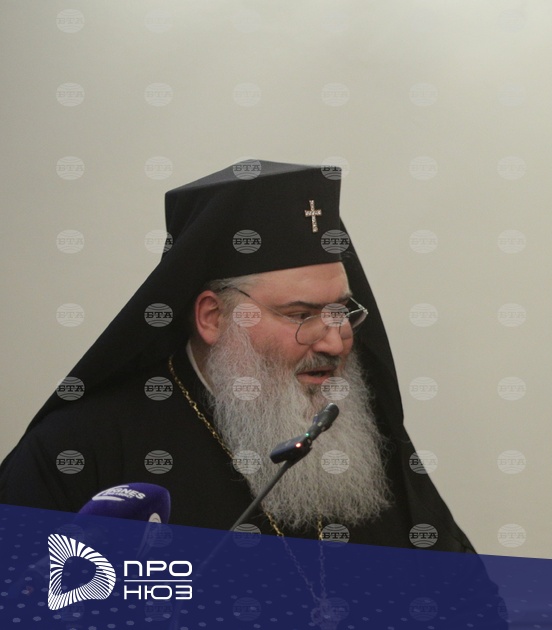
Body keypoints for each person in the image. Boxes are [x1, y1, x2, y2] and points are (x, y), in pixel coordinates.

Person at [0, 161, 474, 551]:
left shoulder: (359, 434)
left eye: (340, 311)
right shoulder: (78, 451)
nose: (334, 342)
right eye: (301, 315)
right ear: (212, 317)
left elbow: (467, 595)